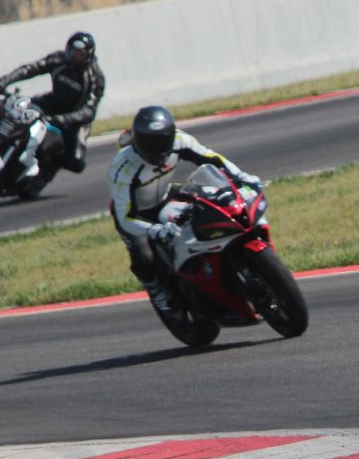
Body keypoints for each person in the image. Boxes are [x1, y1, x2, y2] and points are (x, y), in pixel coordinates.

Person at [107, 105, 262, 315]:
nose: (158, 148)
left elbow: (213, 159)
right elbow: (125, 217)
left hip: (165, 196)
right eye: (150, 143)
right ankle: (156, 292)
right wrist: (154, 230)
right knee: (145, 258)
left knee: (210, 211)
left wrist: (241, 176)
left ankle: (217, 267)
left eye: (163, 141)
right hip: (135, 214)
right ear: (138, 140)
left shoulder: (180, 140)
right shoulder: (123, 168)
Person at [0, 32, 106, 193]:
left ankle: (46, 172)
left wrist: (61, 119)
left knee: (76, 162)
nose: (76, 56)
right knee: (18, 111)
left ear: (89, 54)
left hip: (75, 118)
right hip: (52, 103)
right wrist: (5, 80)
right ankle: (0, 144)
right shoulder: (58, 60)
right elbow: (31, 69)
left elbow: (89, 111)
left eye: (81, 54)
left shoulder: (95, 77)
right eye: (74, 52)